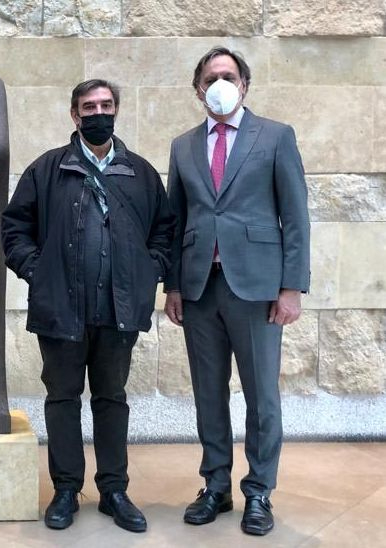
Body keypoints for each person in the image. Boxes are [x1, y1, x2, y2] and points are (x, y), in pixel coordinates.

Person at [2, 80, 175, 532]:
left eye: (106, 105)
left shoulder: (139, 172)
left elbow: (165, 230)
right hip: (61, 310)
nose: (99, 112)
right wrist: (39, 272)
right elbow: (13, 229)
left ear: (116, 110)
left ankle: (114, 489)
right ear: (74, 115)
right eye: (89, 107)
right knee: (62, 399)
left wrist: (149, 268)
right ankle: (65, 488)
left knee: (112, 400)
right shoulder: (47, 170)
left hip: (119, 311)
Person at [164, 47, 310, 536]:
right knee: (208, 393)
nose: (219, 83)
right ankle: (216, 486)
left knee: (261, 396)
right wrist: (174, 286)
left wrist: (291, 287)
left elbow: (295, 217)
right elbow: (175, 219)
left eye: (227, 75)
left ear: (244, 84)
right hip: (200, 288)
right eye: (210, 77)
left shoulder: (275, 137)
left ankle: (260, 491)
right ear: (198, 88)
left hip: (257, 288)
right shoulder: (183, 146)